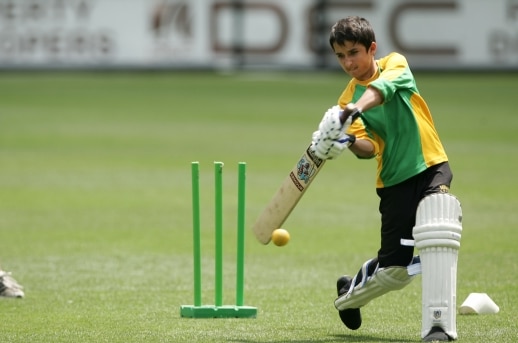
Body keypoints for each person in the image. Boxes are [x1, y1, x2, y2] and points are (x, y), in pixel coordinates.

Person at [310, 16, 462, 342]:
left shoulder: (395, 64)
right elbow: (369, 149)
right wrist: (348, 141)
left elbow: (381, 91)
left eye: (354, 52)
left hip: (432, 162)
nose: (348, 62)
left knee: (441, 219)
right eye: (340, 56)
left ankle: (439, 327)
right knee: (395, 271)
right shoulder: (345, 100)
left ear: (372, 49)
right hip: (394, 182)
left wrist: (352, 111)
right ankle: (348, 296)